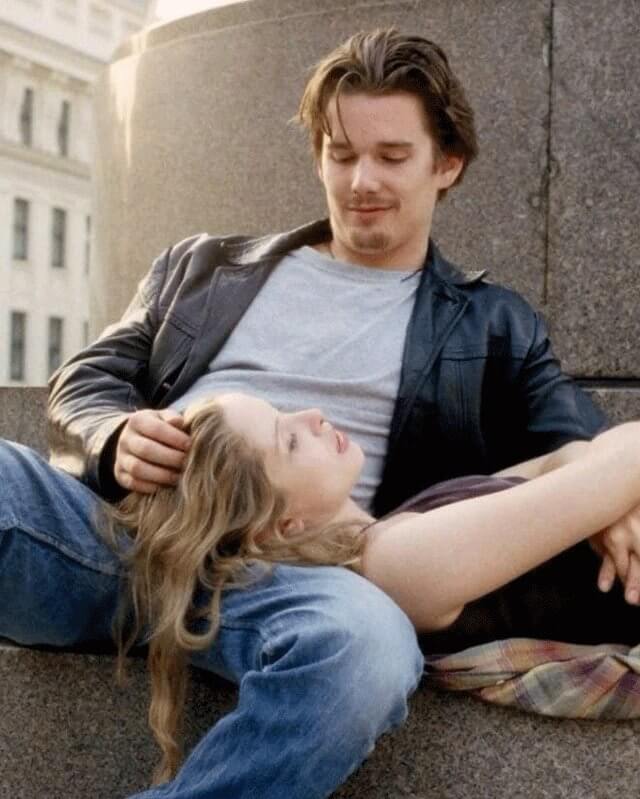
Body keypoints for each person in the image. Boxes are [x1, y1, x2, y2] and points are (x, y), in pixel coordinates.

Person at [1, 27, 636, 799]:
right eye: (341, 153)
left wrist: (611, 500)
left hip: (295, 579)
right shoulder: (201, 267)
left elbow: (577, 437)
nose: (361, 179)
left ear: (446, 165)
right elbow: (85, 381)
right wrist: (113, 436)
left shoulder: (493, 326)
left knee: (368, 651)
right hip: (120, 531)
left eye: (392, 156)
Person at [106, 392, 640, 783]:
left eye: (284, 410)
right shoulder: (396, 566)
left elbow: (572, 455)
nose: (313, 415)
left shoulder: (404, 522)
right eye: (289, 440)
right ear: (280, 527)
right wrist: (606, 485)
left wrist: (611, 508)